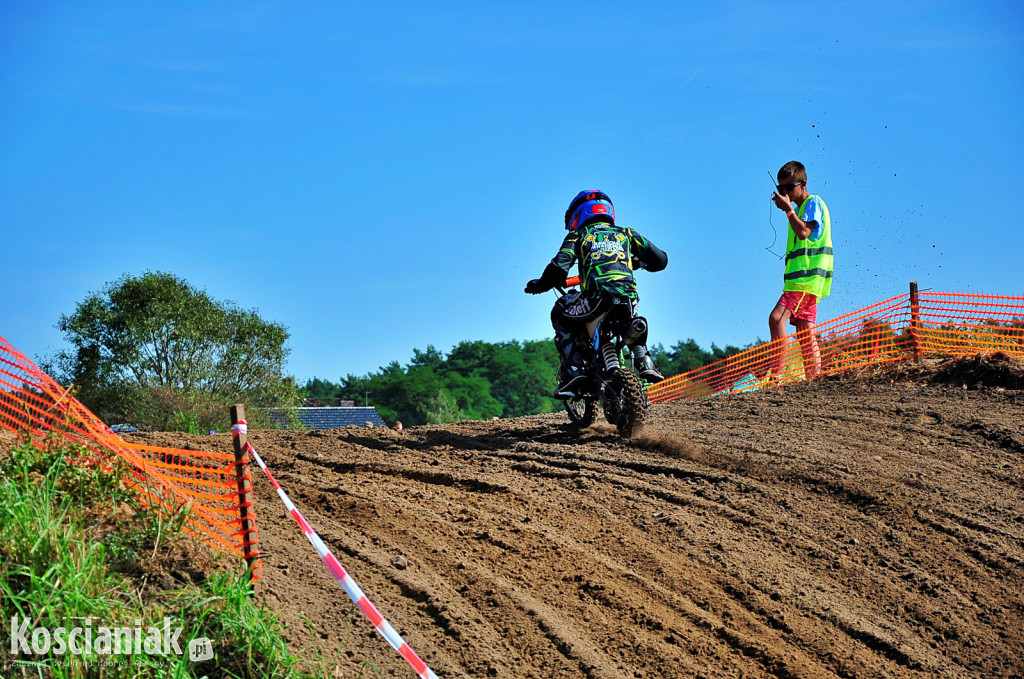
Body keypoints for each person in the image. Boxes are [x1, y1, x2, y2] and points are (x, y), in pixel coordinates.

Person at [525, 190, 668, 399]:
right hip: (629, 298)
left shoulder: (579, 236)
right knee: (634, 318)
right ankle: (644, 359)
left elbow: (558, 267)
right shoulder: (627, 233)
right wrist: (636, 262)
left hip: (597, 300)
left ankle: (573, 371)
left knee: (560, 310)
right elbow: (661, 261)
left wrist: (540, 285)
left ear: (578, 215)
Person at [768, 161, 833, 380]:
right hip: (806, 282)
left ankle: (775, 375)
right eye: (781, 188)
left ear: (803, 183)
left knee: (776, 319)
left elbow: (804, 232)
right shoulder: (800, 210)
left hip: (805, 280)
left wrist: (788, 211)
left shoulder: (812, 203)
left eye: (788, 187)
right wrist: (790, 211)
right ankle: (814, 378)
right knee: (805, 331)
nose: (784, 192)